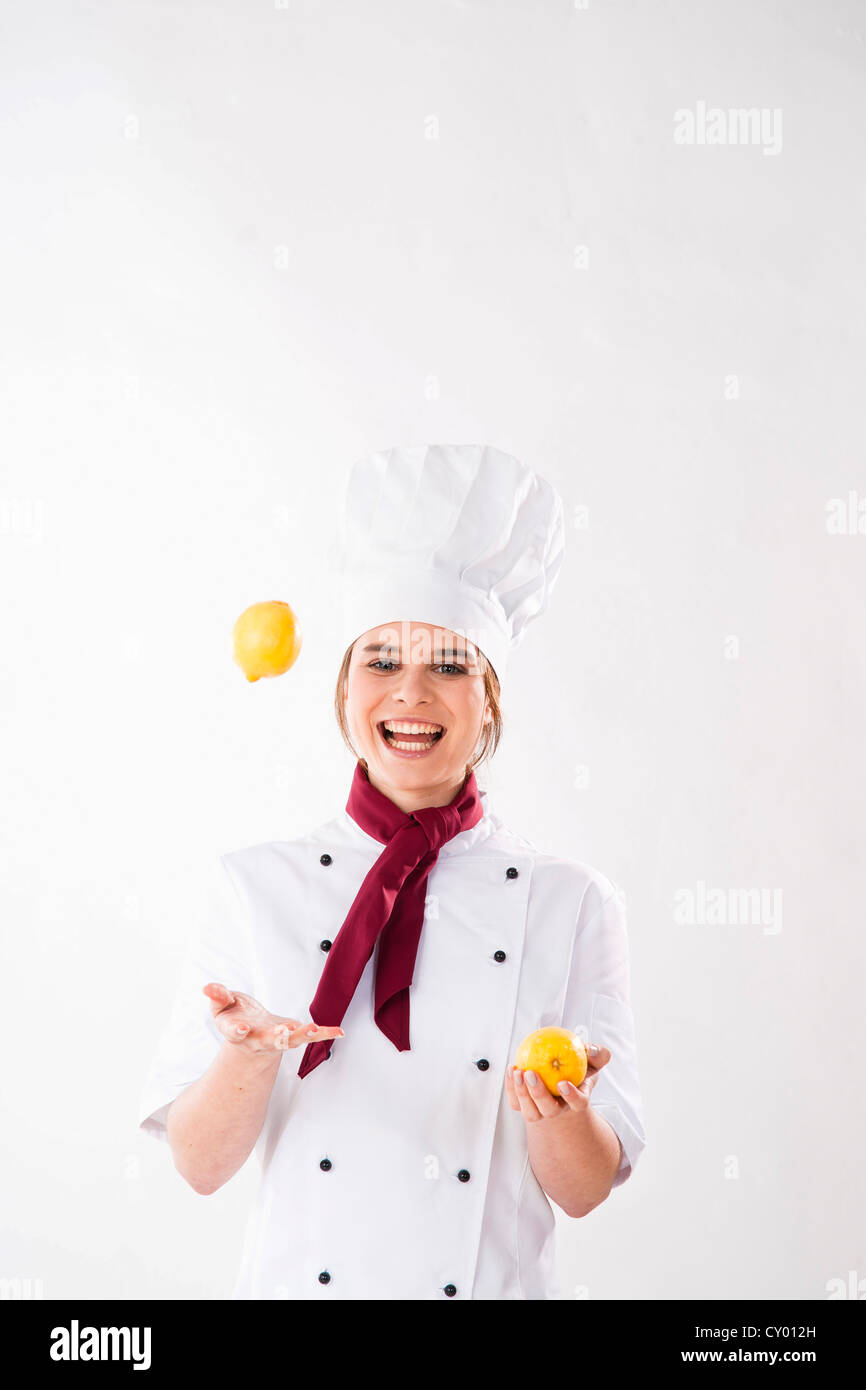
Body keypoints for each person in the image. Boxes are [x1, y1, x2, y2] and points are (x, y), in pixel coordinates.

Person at [138, 443, 646, 1300]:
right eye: (381, 662)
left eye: (450, 666)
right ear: (342, 692)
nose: (411, 693)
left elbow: (586, 1190)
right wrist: (248, 1059)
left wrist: (561, 1117)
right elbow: (198, 1167)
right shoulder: (252, 884)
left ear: (489, 697)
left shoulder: (572, 901)